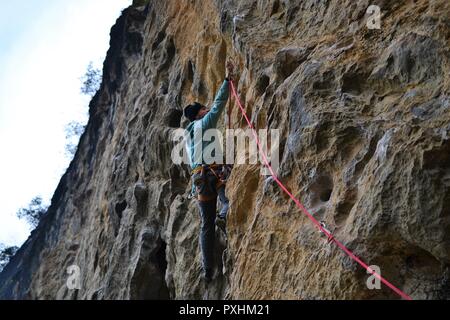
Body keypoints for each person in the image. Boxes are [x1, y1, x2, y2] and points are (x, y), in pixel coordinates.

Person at [183, 61, 235, 282]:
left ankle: (207, 268)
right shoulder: (204, 122)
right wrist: (227, 79)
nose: (207, 110)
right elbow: (219, 104)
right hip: (214, 173)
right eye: (203, 108)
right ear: (198, 114)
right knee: (225, 196)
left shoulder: (188, 136)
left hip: (199, 178)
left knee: (206, 224)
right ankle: (223, 216)